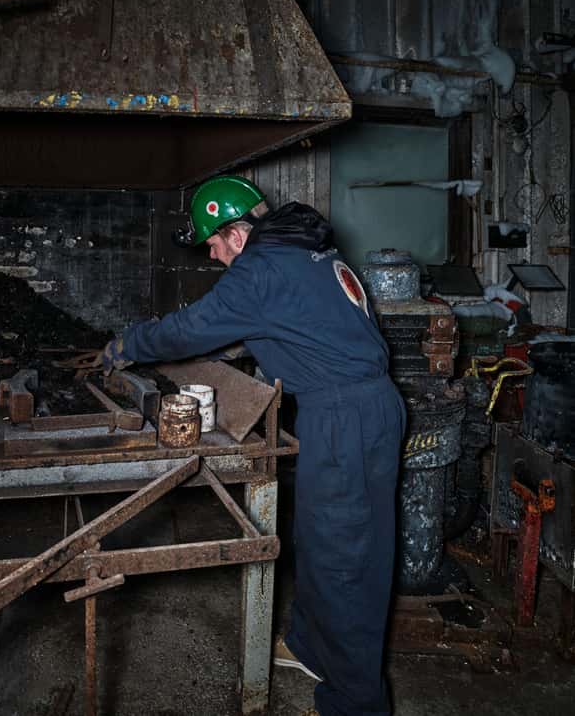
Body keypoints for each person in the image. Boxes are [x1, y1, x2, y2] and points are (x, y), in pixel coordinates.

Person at [102, 175, 406, 716]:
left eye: (214, 244)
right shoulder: (306, 252)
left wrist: (130, 342)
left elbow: (185, 330)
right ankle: (311, 646)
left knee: (346, 561)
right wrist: (248, 339)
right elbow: (304, 321)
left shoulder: (259, 269)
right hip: (359, 409)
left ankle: (356, 702)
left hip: (344, 418)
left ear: (236, 234)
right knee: (321, 537)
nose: (213, 255)